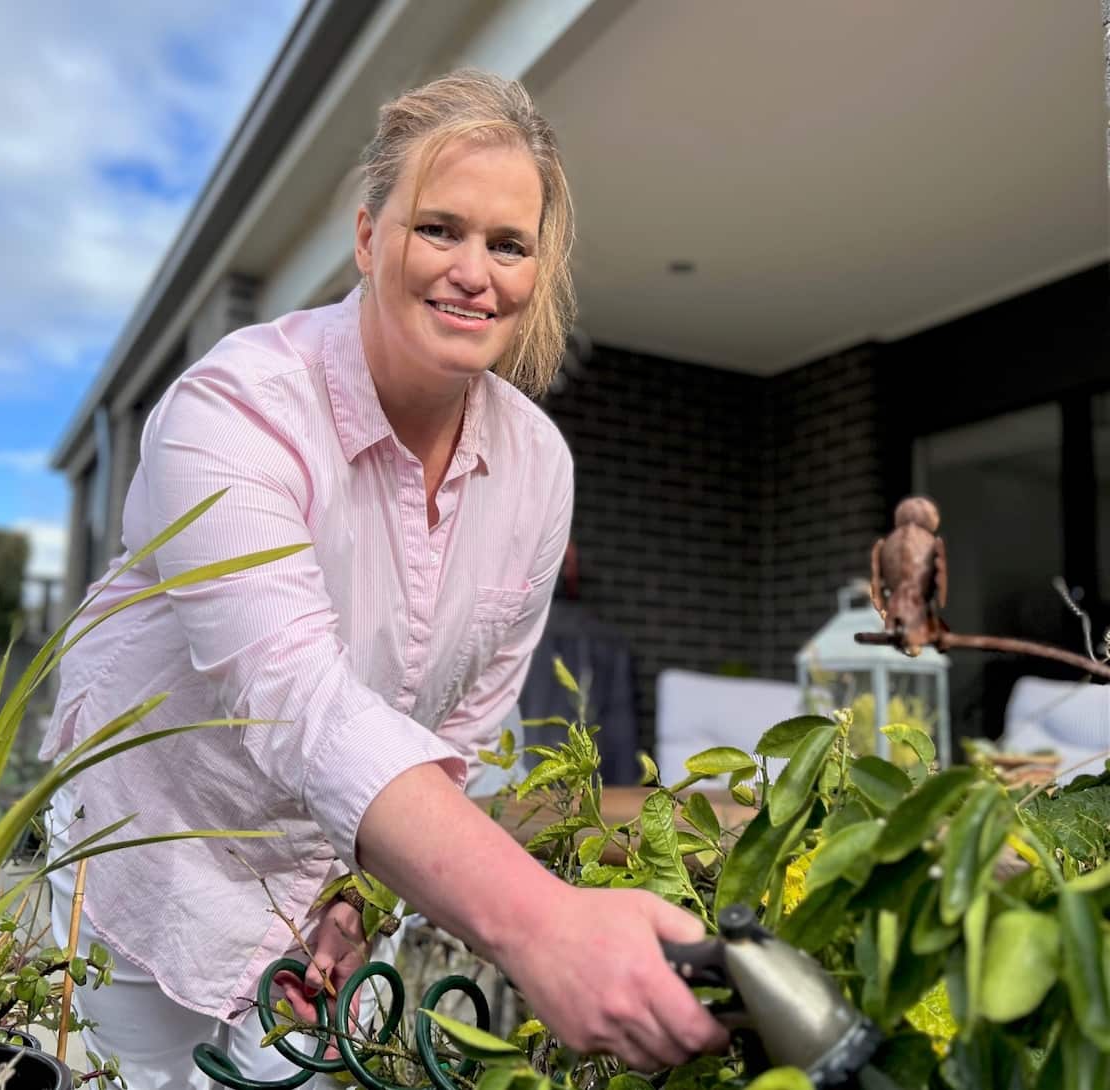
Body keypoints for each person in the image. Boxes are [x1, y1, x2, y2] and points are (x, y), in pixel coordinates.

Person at [41, 69, 726, 1088]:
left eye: (508, 244)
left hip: (328, 901)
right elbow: (298, 699)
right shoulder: (234, 410)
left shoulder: (537, 469)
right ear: (367, 238)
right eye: (437, 228)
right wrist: (541, 925)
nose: (473, 272)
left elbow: (459, 724)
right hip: (155, 870)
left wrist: (358, 894)